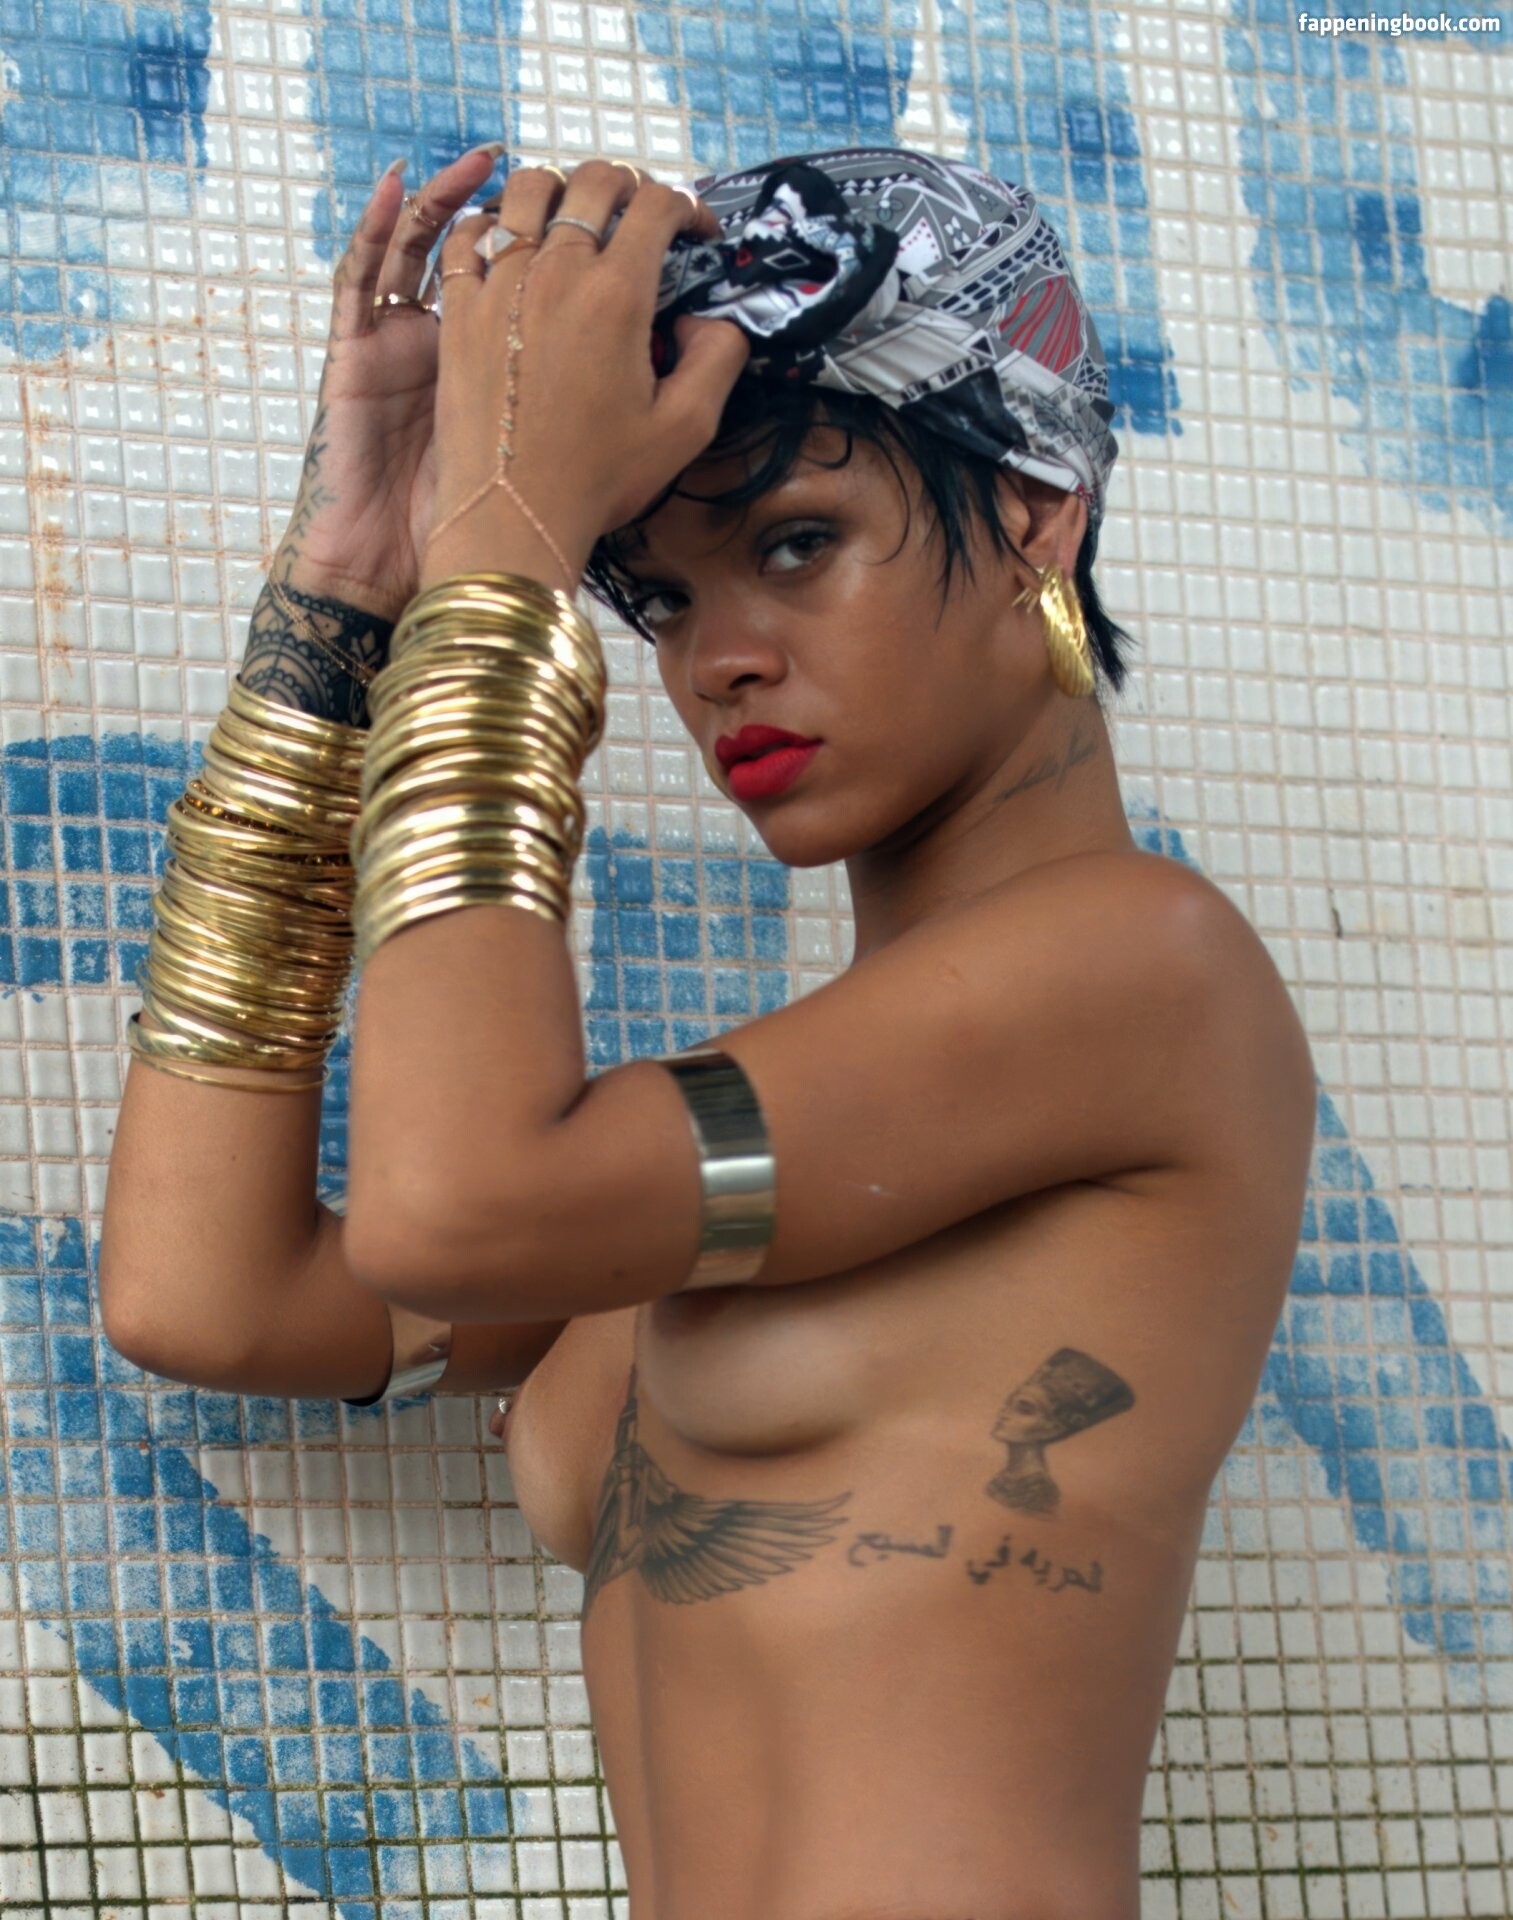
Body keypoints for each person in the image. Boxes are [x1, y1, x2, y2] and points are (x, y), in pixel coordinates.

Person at [99, 144, 1318, 1920]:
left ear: (1036, 514)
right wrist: (346, 589)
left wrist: (502, 551)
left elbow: (453, 1207)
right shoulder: (774, 1136)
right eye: (661, 596)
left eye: (795, 545)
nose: (713, 656)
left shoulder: (1141, 969)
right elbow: (207, 1296)